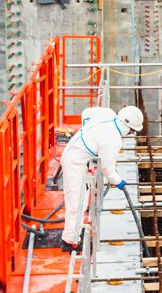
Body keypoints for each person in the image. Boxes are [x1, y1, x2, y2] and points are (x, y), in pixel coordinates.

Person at [53, 104, 145, 249]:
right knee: (76, 202)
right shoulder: (113, 139)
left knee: (82, 199)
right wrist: (118, 181)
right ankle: (70, 241)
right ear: (128, 127)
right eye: (132, 131)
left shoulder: (108, 115)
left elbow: (87, 112)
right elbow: (108, 168)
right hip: (74, 162)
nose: (131, 134)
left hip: (79, 156)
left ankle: (74, 233)